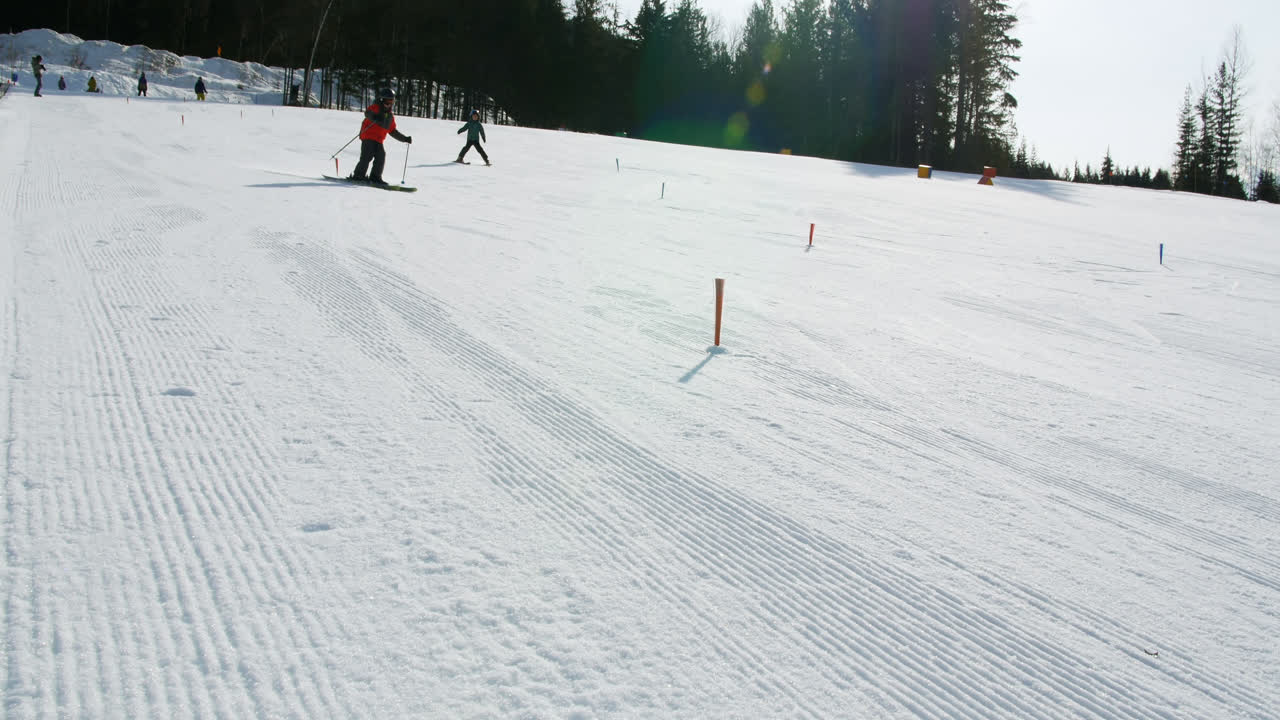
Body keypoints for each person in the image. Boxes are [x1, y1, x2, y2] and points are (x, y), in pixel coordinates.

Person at [348, 88, 412, 185]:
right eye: (387, 101)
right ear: (381, 100)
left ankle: (375, 177)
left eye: (392, 101)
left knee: (381, 156)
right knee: (367, 156)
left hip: (378, 140)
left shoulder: (390, 116)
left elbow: (392, 131)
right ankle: (358, 175)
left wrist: (404, 139)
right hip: (368, 137)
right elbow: (368, 113)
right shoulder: (375, 108)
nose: (389, 103)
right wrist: (374, 117)